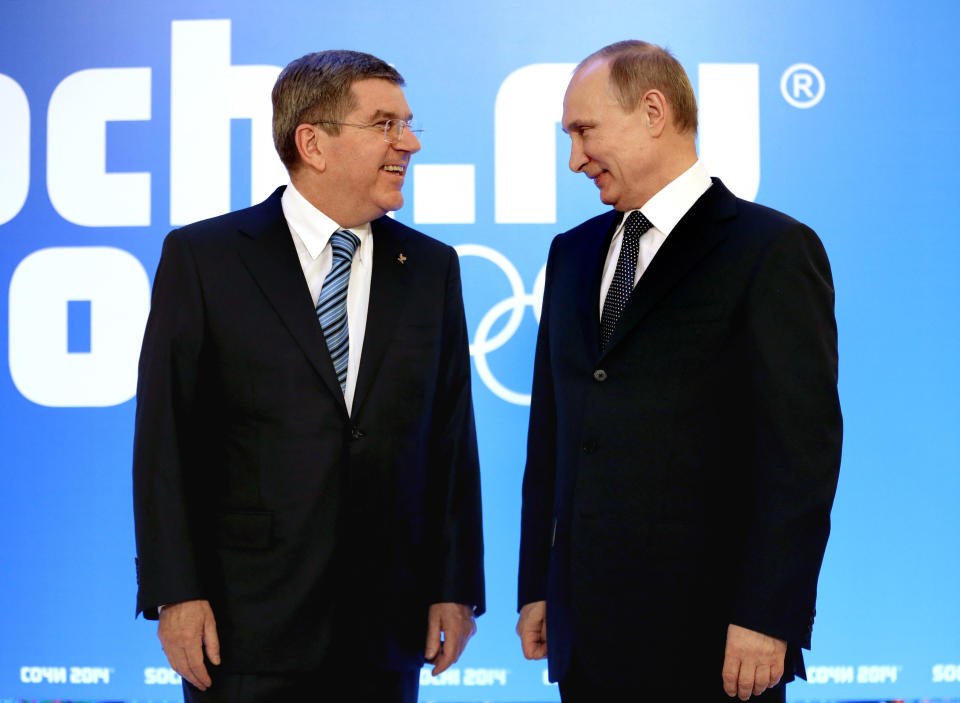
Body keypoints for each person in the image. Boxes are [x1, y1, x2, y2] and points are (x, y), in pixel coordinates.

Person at [133, 50, 484, 703]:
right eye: (385, 124)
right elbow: (165, 442)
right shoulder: (204, 259)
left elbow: (451, 441)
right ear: (313, 142)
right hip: (245, 626)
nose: (407, 143)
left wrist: (456, 586)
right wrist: (173, 592)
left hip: (386, 624)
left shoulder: (431, 268)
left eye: (408, 125)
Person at [516, 40, 841, 702]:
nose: (574, 158)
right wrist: (539, 587)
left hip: (717, 644)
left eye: (584, 130)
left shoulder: (770, 249)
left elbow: (800, 454)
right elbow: (552, 435)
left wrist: (768, 613)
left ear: (653, 110)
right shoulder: (573, 253)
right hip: (587, 645)